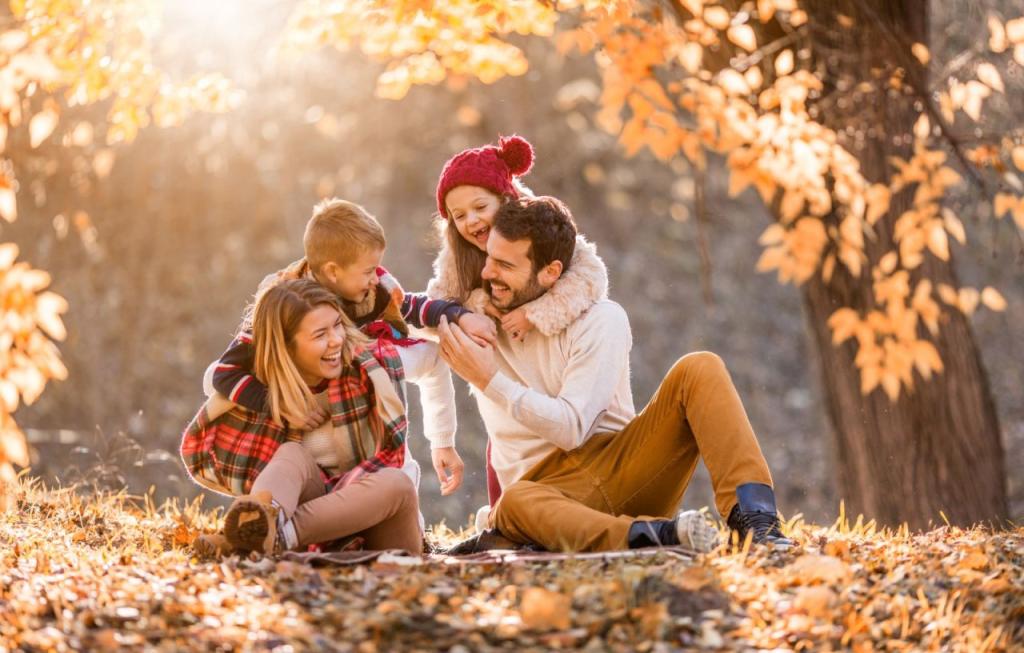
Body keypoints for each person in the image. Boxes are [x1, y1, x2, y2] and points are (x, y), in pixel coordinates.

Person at [437, 196, 794, 552]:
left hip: (621, 469)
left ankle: (757, 524)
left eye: (503, 264)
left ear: (551, 272)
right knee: (514, 503)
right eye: (488, 259)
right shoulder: (479, 321)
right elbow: (408, 318)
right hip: (545, 496)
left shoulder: (600, 320)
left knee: (700, 367)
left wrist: (489, 381)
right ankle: (656, 536)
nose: (487, 274)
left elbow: (572, 428)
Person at [207, 198, 496, 496]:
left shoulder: (375, 288)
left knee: (393, 371)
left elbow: (409, 305)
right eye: (368, 271)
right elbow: (224, 372)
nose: (375, 278)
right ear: (333, 272)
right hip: (302, 419)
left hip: (358, 397)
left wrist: (460, 316)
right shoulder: (285, 304)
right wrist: (280, 406)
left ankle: (391, 492)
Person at [428, 134, 609, 511]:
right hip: (506, 381)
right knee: (506, 450)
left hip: (554, 364)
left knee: (560, 433)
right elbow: (437, 304)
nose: (471, 221)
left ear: (506, 198)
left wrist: (534, 313)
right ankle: (504, 517)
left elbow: (591, 277)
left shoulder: (541, 230)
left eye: (480, 206)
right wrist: (474, 308)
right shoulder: (457, 256)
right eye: (458, 216)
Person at [182, 279, 422, 554]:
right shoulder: (264, 393)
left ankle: (268, 538)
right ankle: (259, 524)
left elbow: (433, 357)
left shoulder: (370, 365)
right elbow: (216, 375)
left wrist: (444, 440)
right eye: (320, 335)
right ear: (287, 346)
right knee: (291, 453)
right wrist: (277, 404)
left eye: (337, 325)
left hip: (381, 530)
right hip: (316, 523)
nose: (336, 340)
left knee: (397, 483)